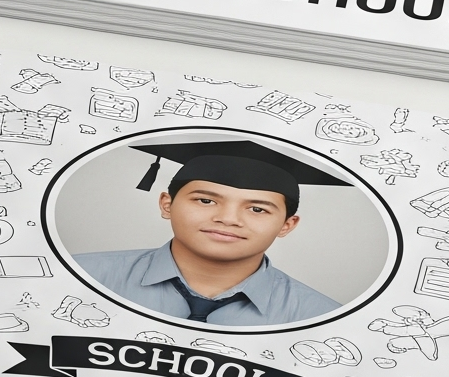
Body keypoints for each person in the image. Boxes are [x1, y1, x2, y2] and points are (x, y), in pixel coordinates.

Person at [73, 138, 351, 327]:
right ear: (166, 205)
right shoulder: (79, 276)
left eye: (257, 209)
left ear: (286, 225)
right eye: (206, 201)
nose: (228, 219)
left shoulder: (324, 318)